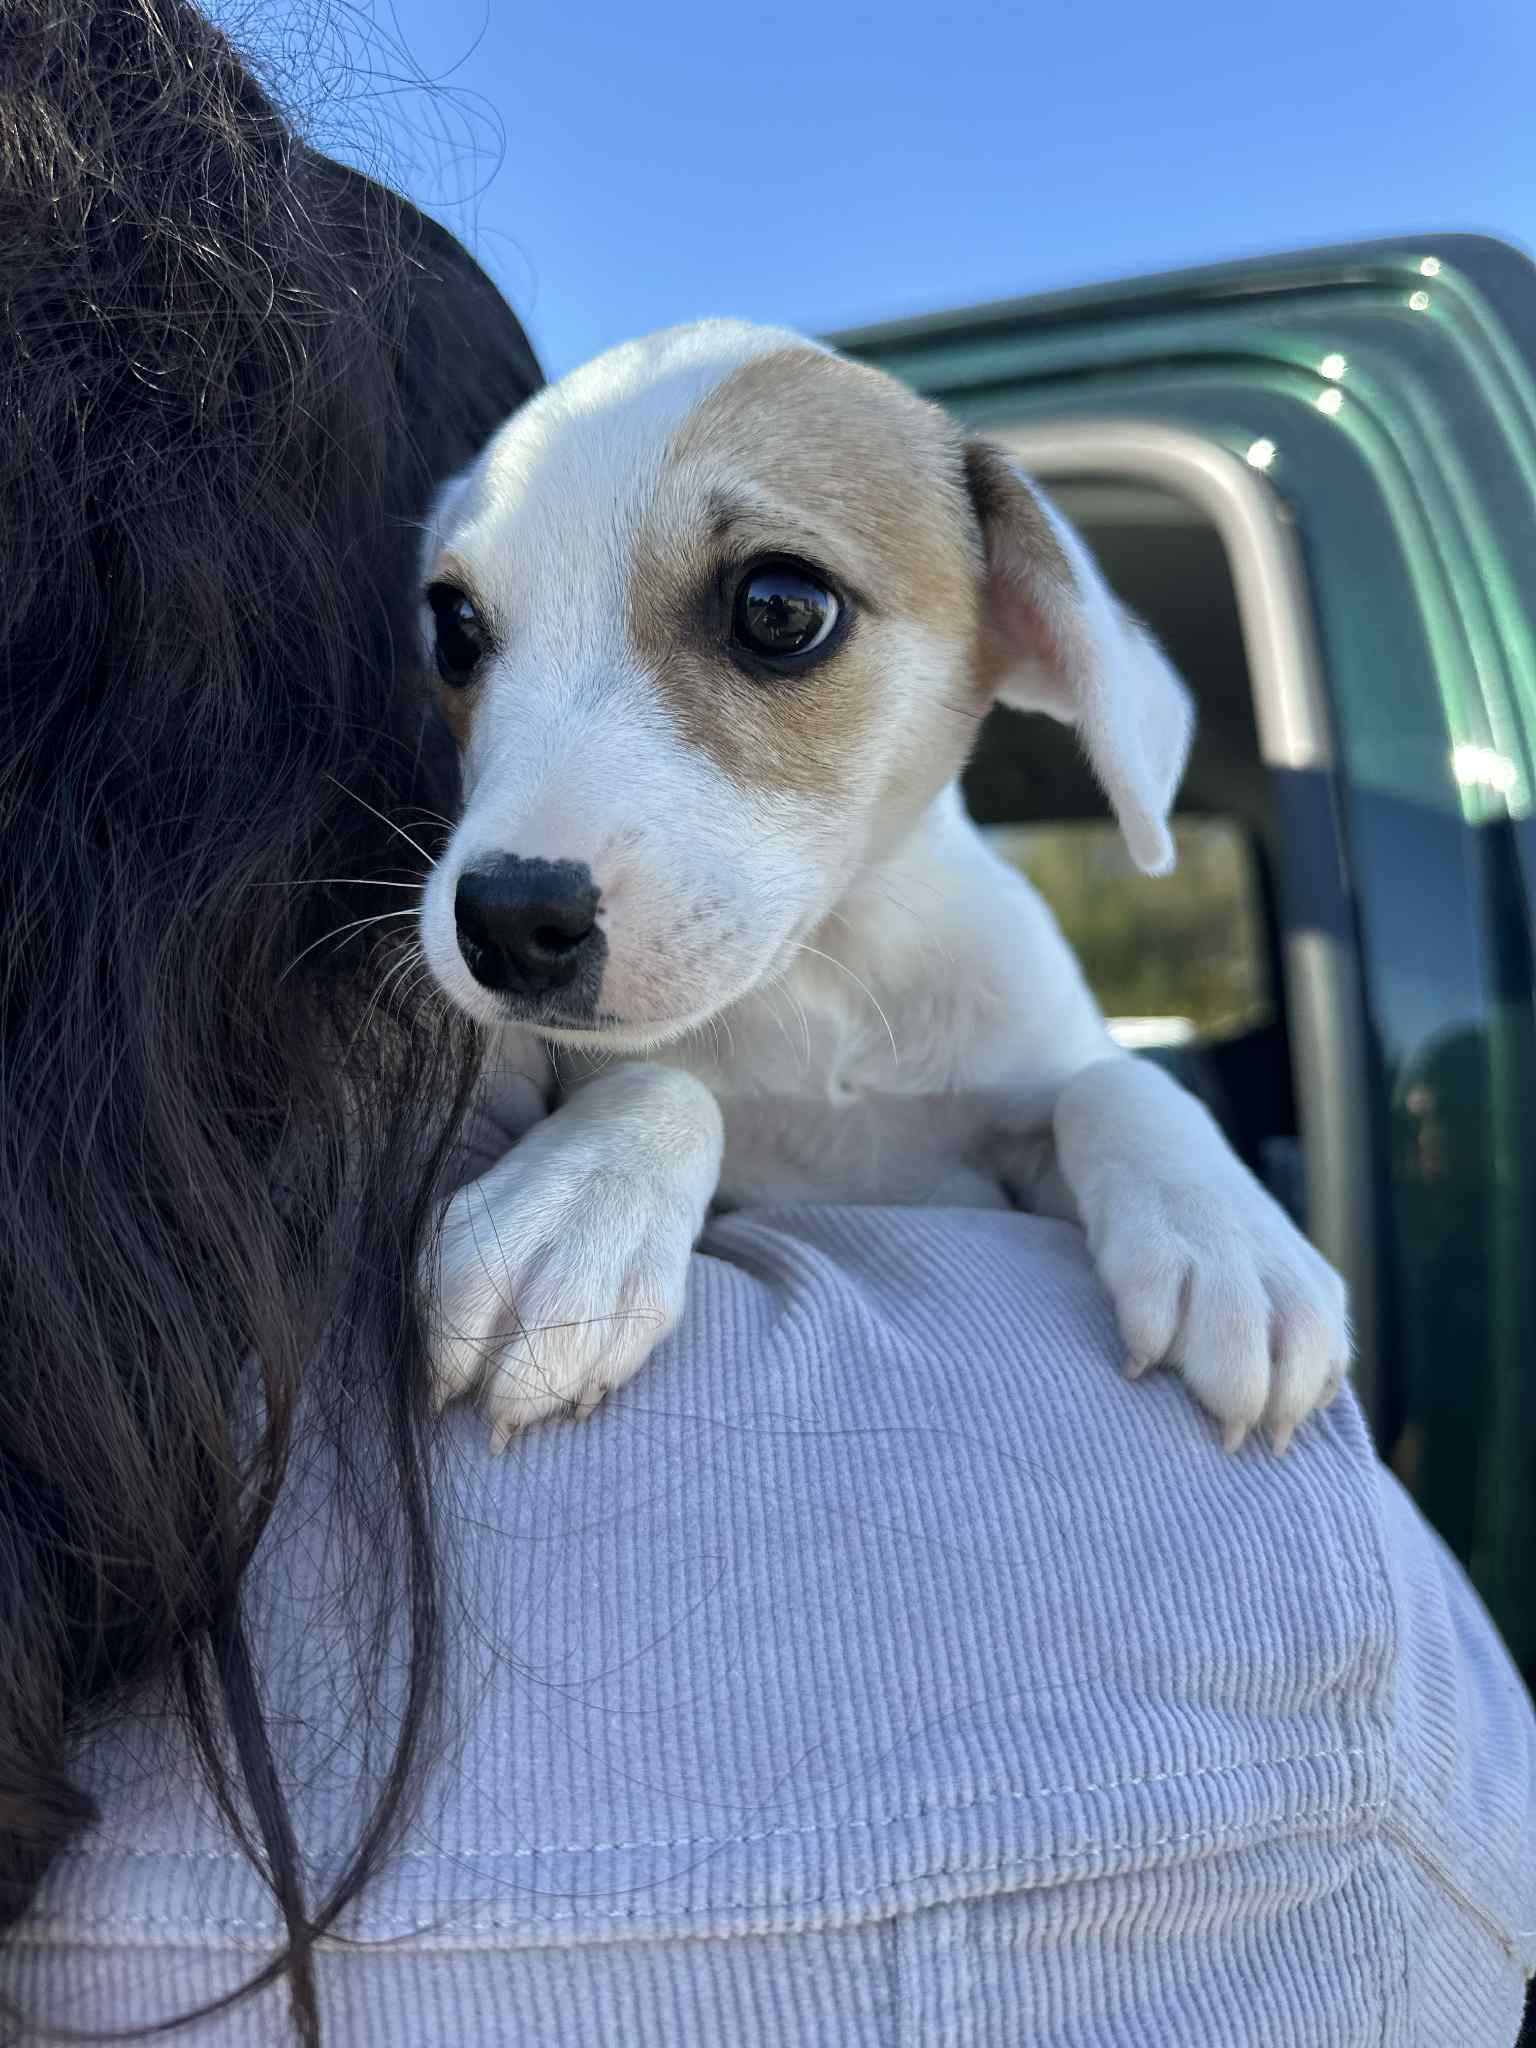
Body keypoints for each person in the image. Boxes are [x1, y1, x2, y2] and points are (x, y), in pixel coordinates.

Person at [1, 5, 1532, 2043]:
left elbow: (1047, 1092)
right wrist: (652, 1134)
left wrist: (1135, 1137)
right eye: (472, 634)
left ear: (1024, 626)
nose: (530, 824)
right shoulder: (1317, 1702)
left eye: (770, 617)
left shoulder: (999, 984)